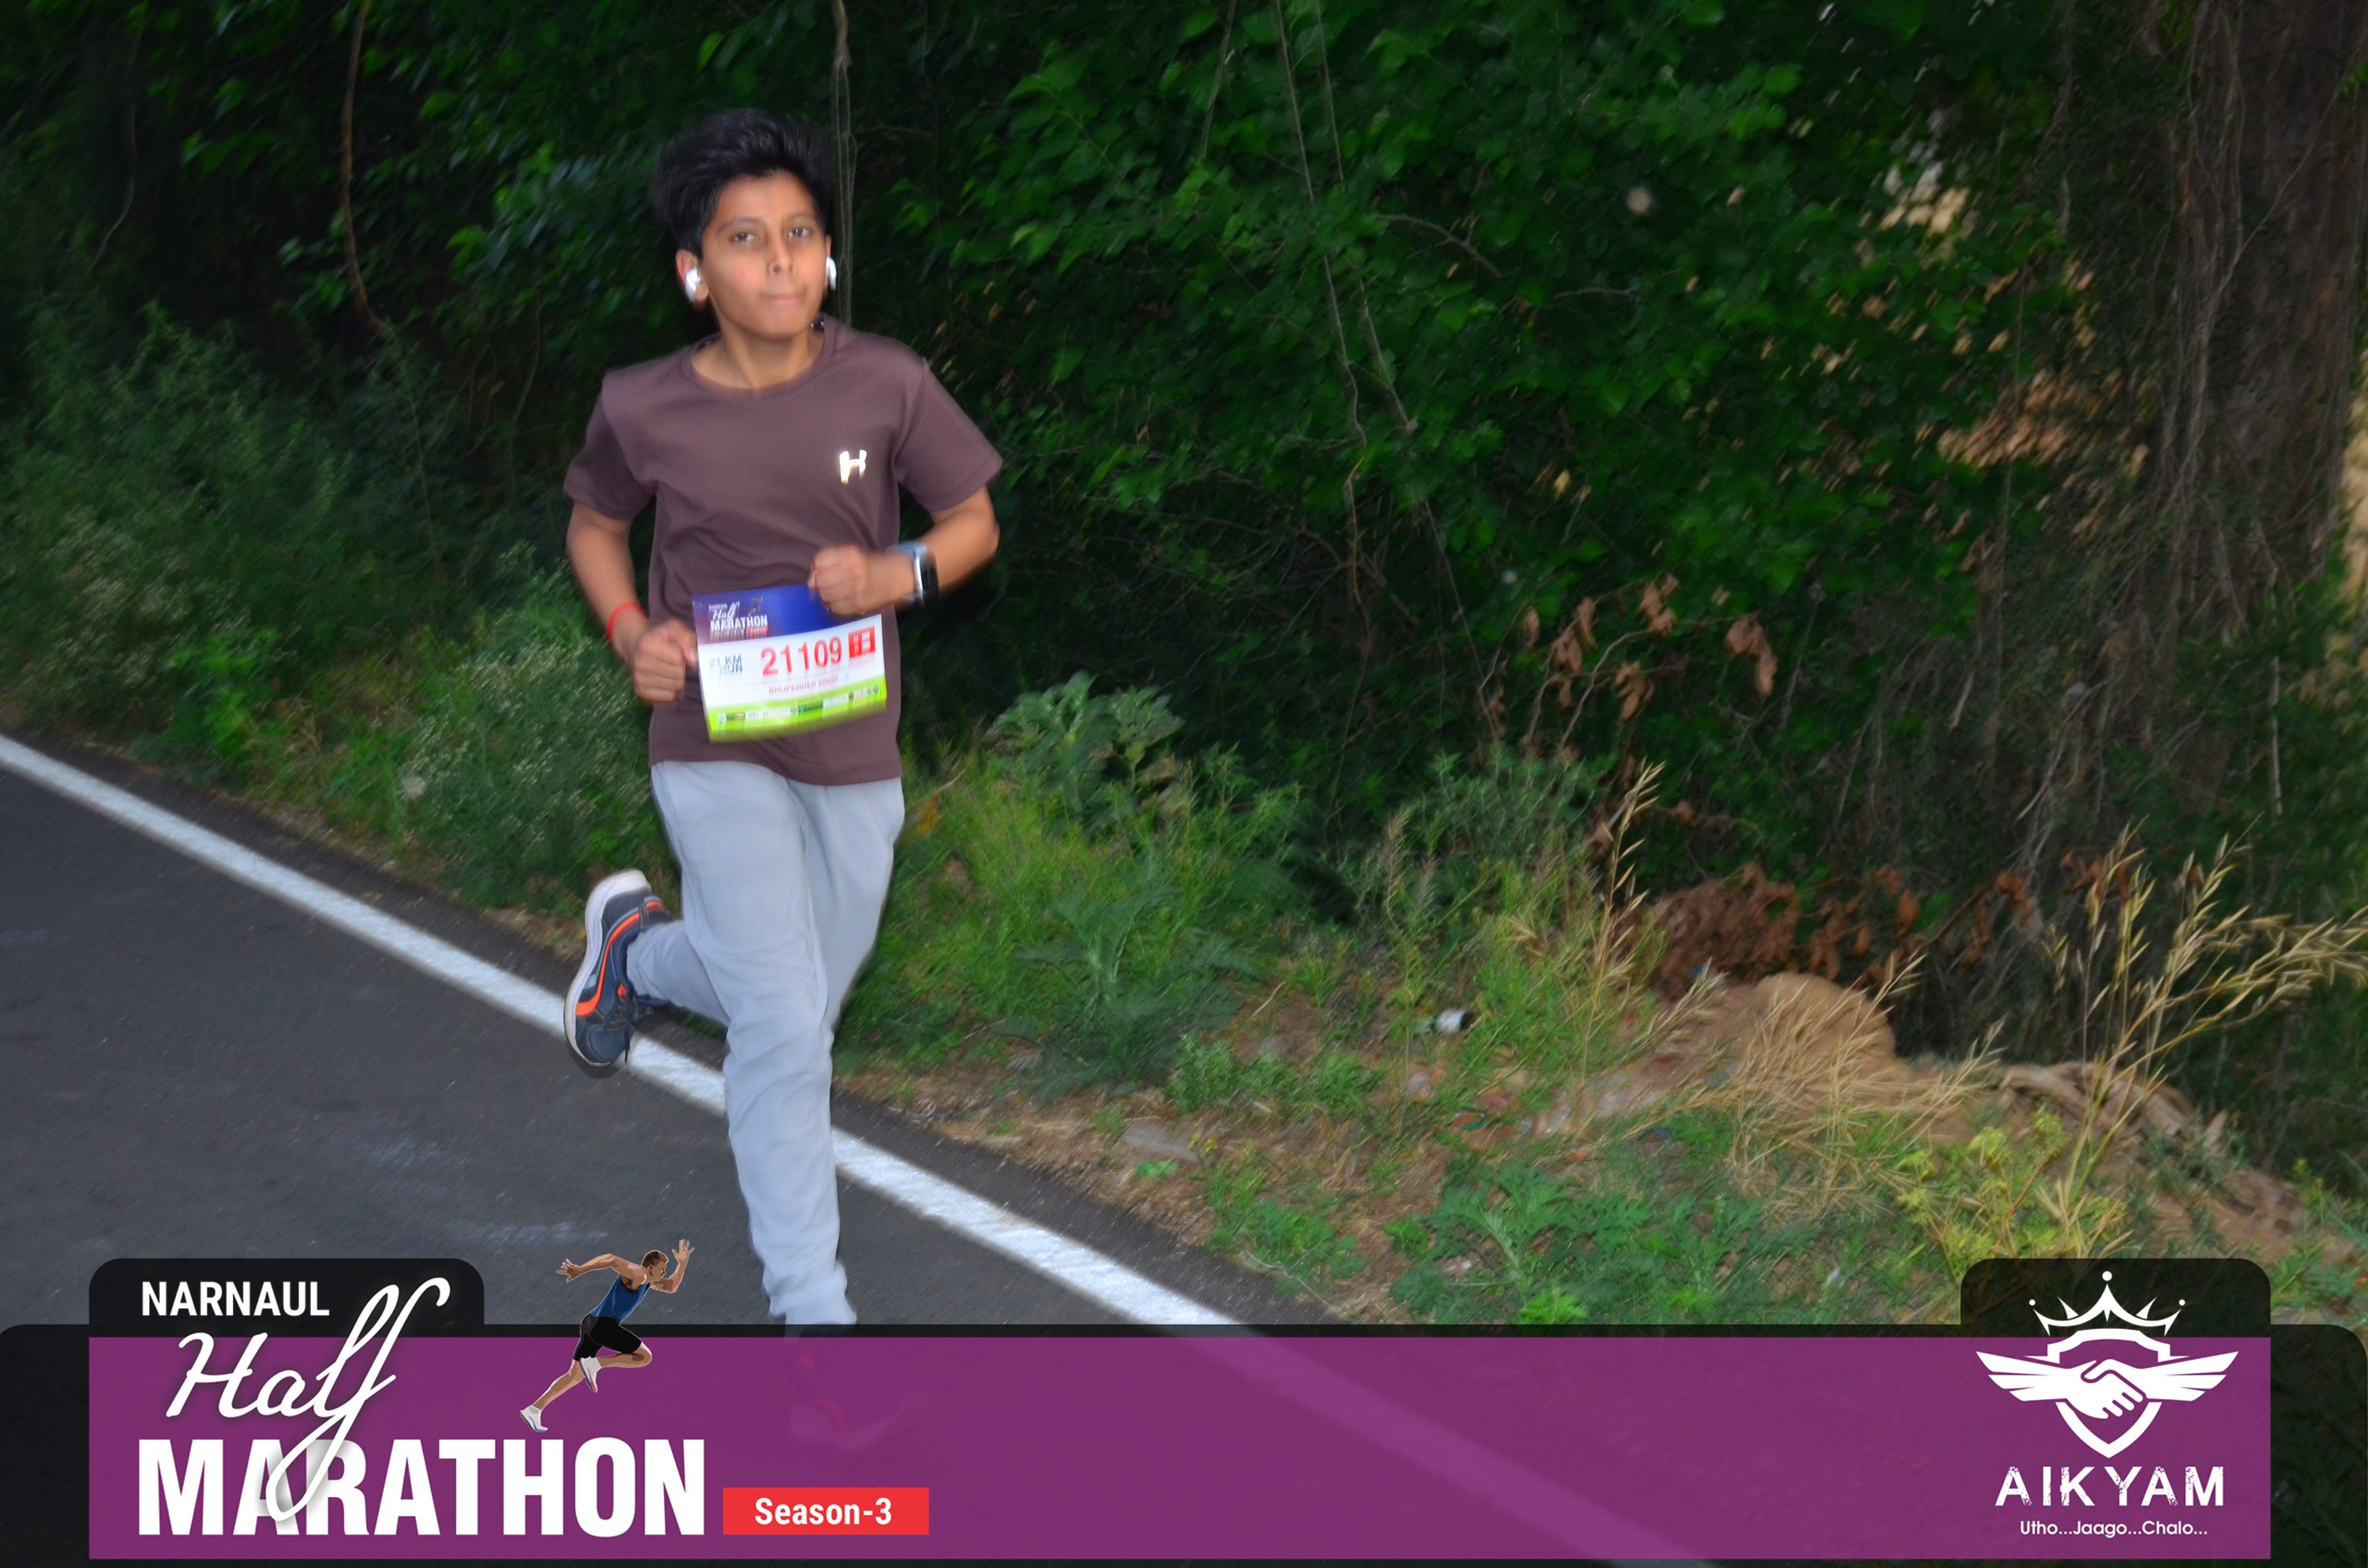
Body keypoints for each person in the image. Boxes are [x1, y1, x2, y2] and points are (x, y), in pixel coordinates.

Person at [559, 108, 1001, 1325]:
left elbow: (973, 519)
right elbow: (596, 526)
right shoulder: (643, 406)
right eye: (746, 239)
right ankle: (815, 1317)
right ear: (695, 273)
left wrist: (898, 571)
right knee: (786, 1029)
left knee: (798, 999)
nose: (781, 261)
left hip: (852, 747)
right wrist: (632, 635)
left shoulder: (887, 381)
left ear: (829, 254)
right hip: (711, 741)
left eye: (800, 233)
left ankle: (635, 952)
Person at [521, 1241, 692, 1430]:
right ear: (651, 1267)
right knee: (644, 1357)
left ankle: (534, 1409)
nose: (664, 1271)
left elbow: (671, 1286)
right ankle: (596, 1364)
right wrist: (581, 1269)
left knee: (574, 1375)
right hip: (603, 1326)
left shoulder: (649, 1282)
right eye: (662, 1268)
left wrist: (682, 1263)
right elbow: (611, 1259)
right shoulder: (640, 1274)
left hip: (591, 1323)